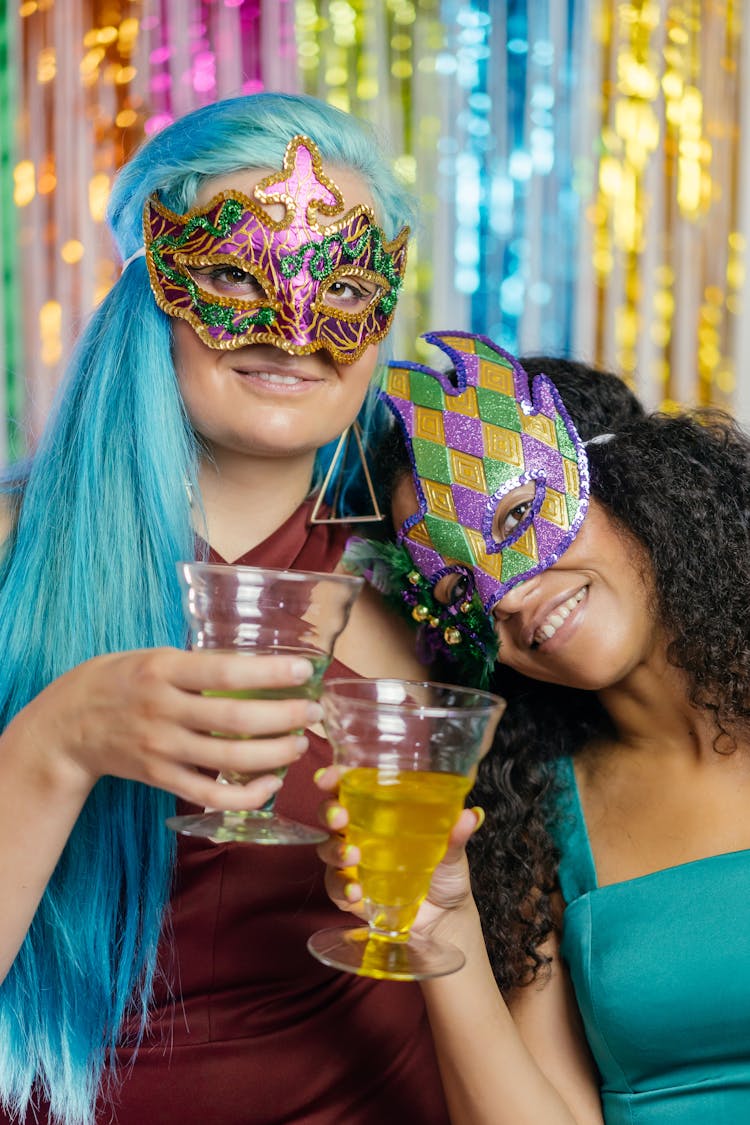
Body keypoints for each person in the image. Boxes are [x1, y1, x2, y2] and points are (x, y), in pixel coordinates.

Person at [0, 95, 455, 1125]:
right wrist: (55, 746)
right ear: (152, 284)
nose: (295, 330)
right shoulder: (8, 561)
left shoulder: (436, 588)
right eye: (235, 276)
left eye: (341, 286)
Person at [319, 330, 750, 1123]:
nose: (508, 596)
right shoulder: (532, 817)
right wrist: (440, 923)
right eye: (460, 588)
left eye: (519, 513)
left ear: (626, 475)